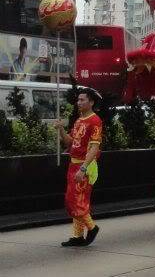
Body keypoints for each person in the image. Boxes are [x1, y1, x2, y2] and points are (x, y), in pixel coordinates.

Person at [55, 88, 102, 247]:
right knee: (73, 200)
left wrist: (83, 168)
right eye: (78, 100)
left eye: (82, 100)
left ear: (91, 102)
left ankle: (92, 227)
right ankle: (77, 236)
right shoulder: (78, 120)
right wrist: (61, 129)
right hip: (73, 164)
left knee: (76, 201)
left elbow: (94, 148)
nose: (79, 103)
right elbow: (69, 143)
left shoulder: (95, 121)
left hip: (84, 166)